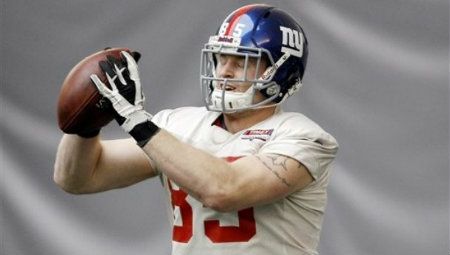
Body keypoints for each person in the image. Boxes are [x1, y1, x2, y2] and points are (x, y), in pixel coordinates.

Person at [54, 4, 338, 255]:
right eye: (221, 58)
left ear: (280, 72)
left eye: (241, 61)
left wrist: (137, 121)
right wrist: (86, 124)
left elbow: (224, 190)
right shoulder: (178, 126)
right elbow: (79, 178)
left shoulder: (304, 137)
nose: (224, 71)